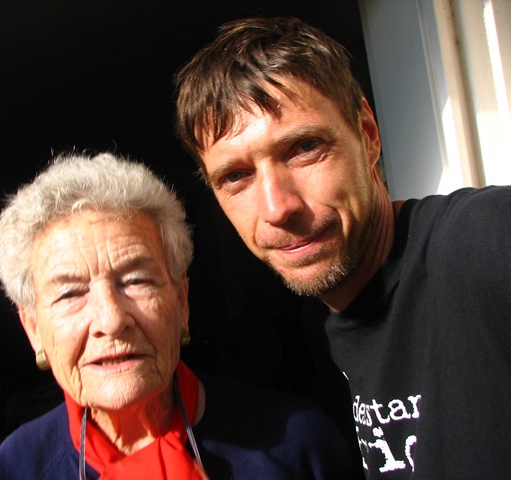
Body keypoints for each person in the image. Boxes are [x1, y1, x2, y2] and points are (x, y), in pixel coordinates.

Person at [174, 16, 511, 480]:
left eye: (304, 147)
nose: (277, 208)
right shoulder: (316, 331)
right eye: (235, 176)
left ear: (367, 135)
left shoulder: (483, 241)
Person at [0, 152, 359, 479]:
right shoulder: (12, 469)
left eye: (136, 280)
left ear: (181, 302)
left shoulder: (298, 446)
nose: (111, 320)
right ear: (33, 329)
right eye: (70, 293)